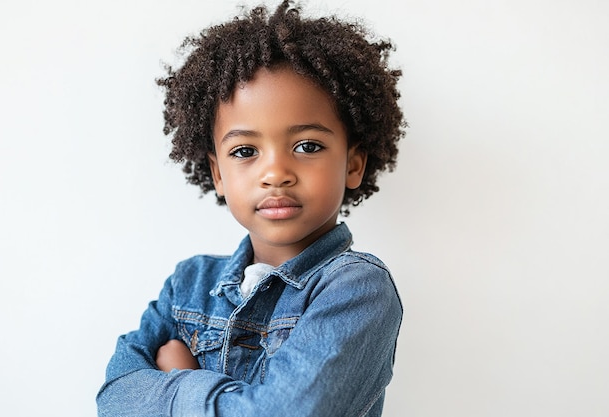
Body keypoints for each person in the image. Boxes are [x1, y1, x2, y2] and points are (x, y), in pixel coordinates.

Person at [96, 1, 406, 416]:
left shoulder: (356, 289)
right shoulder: (188, 284)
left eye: (307, 146)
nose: (276, 172)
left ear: (353, 164)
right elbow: (115, 398)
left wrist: (181, 377)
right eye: (245, 150)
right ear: (218, 173)